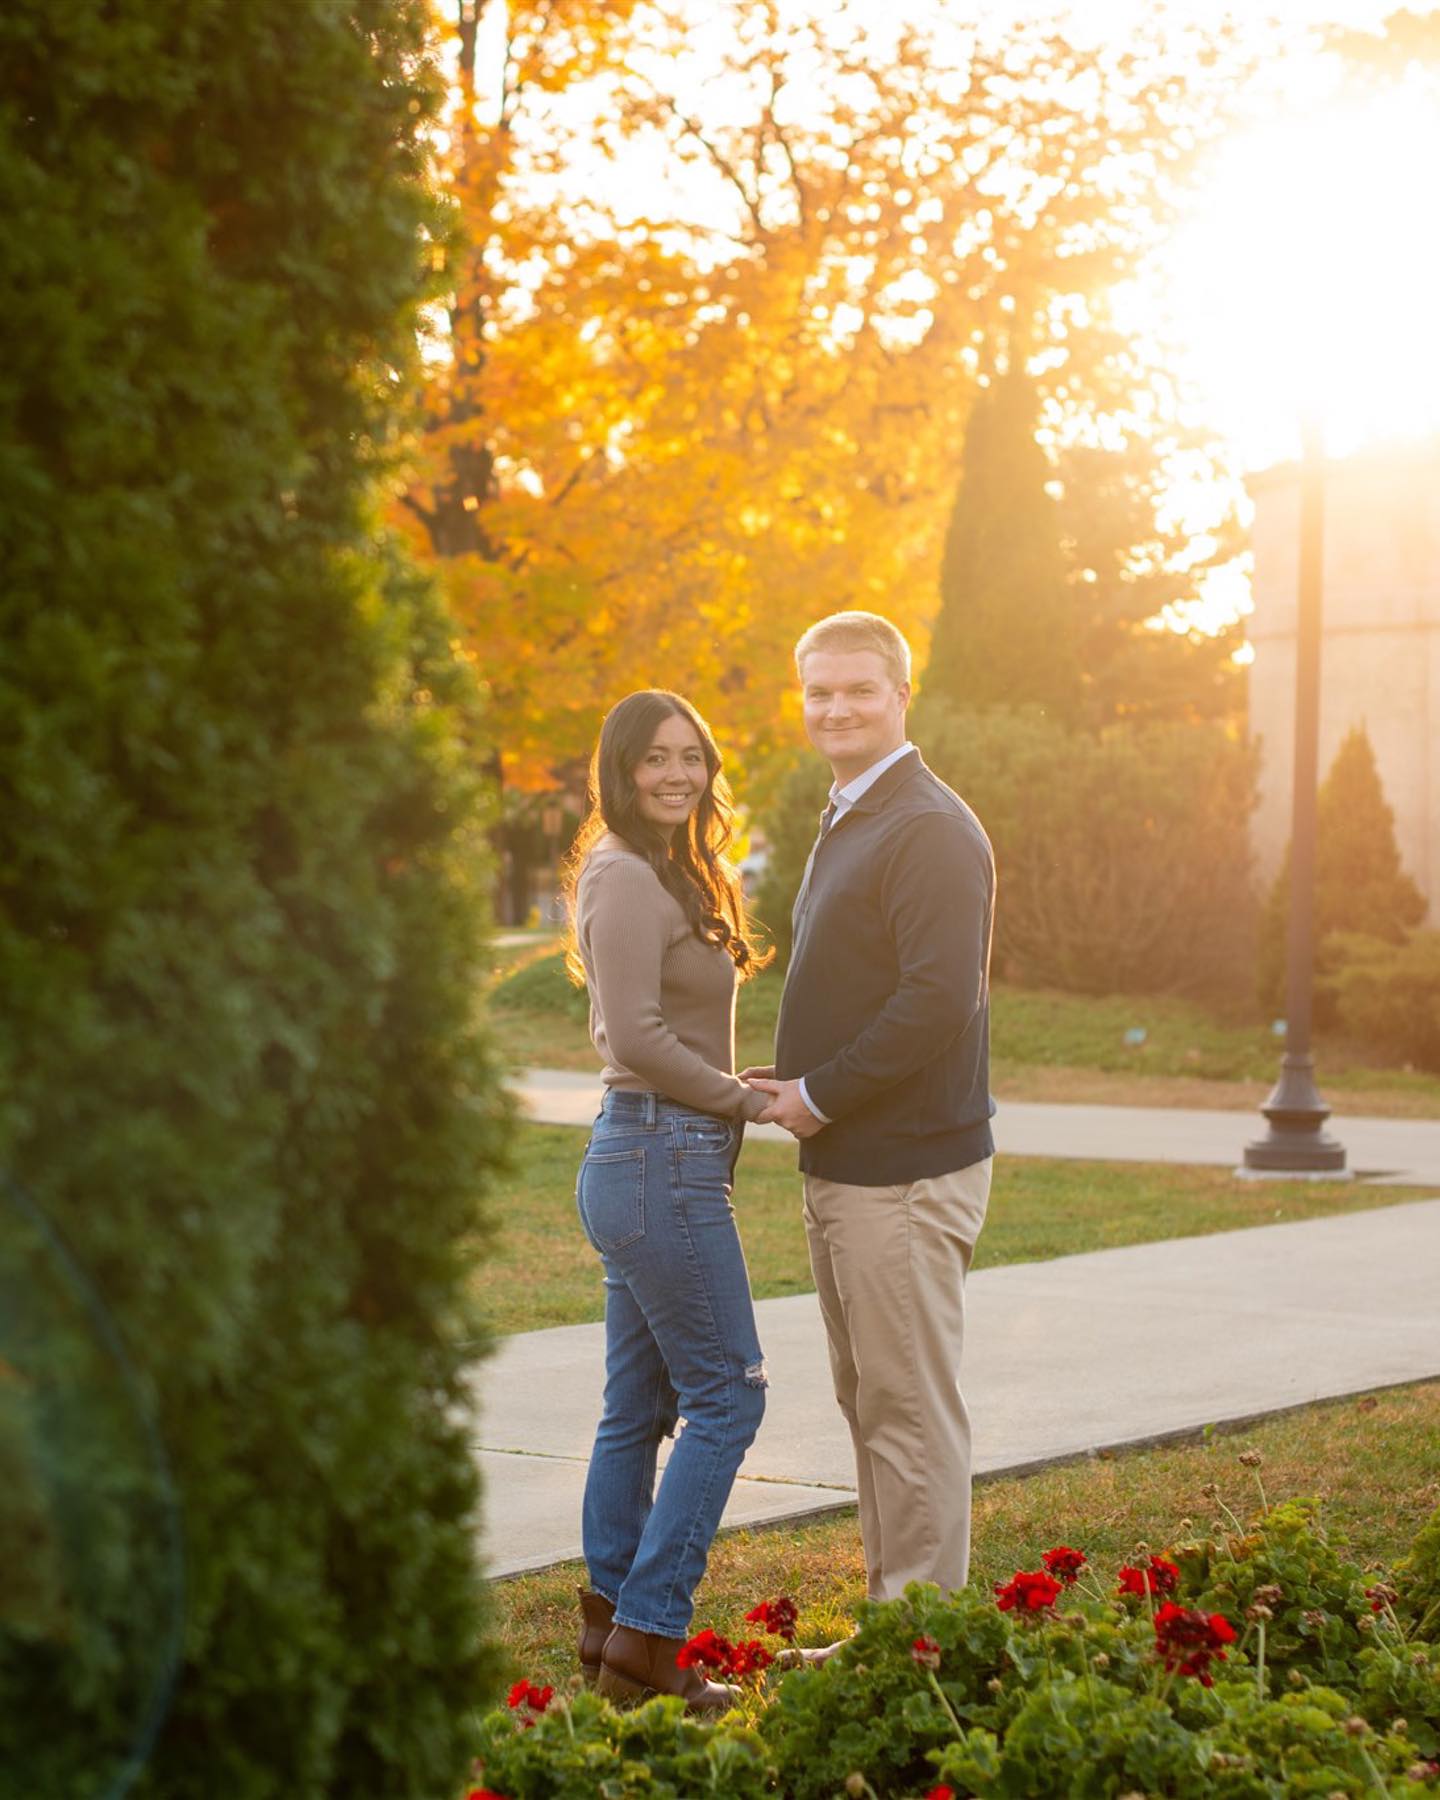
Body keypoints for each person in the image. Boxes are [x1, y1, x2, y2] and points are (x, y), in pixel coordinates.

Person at [745, 609, 996, 1618]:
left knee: (908, 1410)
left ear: (901, 696)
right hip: (851, 1163)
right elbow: (865, 981)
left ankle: (922, 1647)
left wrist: (821, 1091)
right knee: (872, 1404)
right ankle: (894, 1627)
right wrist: (797, 1075)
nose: (836, 708)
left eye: (859, 689)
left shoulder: (928, 826)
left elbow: (940, 1000)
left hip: (902, 1170)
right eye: (820, 692)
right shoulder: (856, 811)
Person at [563, 688, 779, 1713]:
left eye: (691, 756)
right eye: (655, 758)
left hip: (663, 1153)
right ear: (621, 768)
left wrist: (745, 1084)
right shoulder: (620, 874)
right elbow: (635, 1039)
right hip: (659, 1156)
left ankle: (609, 1621)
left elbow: (676, 1030)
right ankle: (649, 1639)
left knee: (639, 1407)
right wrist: (738, 1099)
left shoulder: (670, 870)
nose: (677, 775)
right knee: (730, 1398)